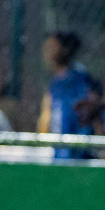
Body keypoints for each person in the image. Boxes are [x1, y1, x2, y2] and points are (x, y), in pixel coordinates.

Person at [37, 32, 100, 160]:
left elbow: (85, 113)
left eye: (52, 47)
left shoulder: (78, 77)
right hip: (58, 148)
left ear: (64, 50)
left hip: (76, 150)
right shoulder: (55, 81)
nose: (47, 52)